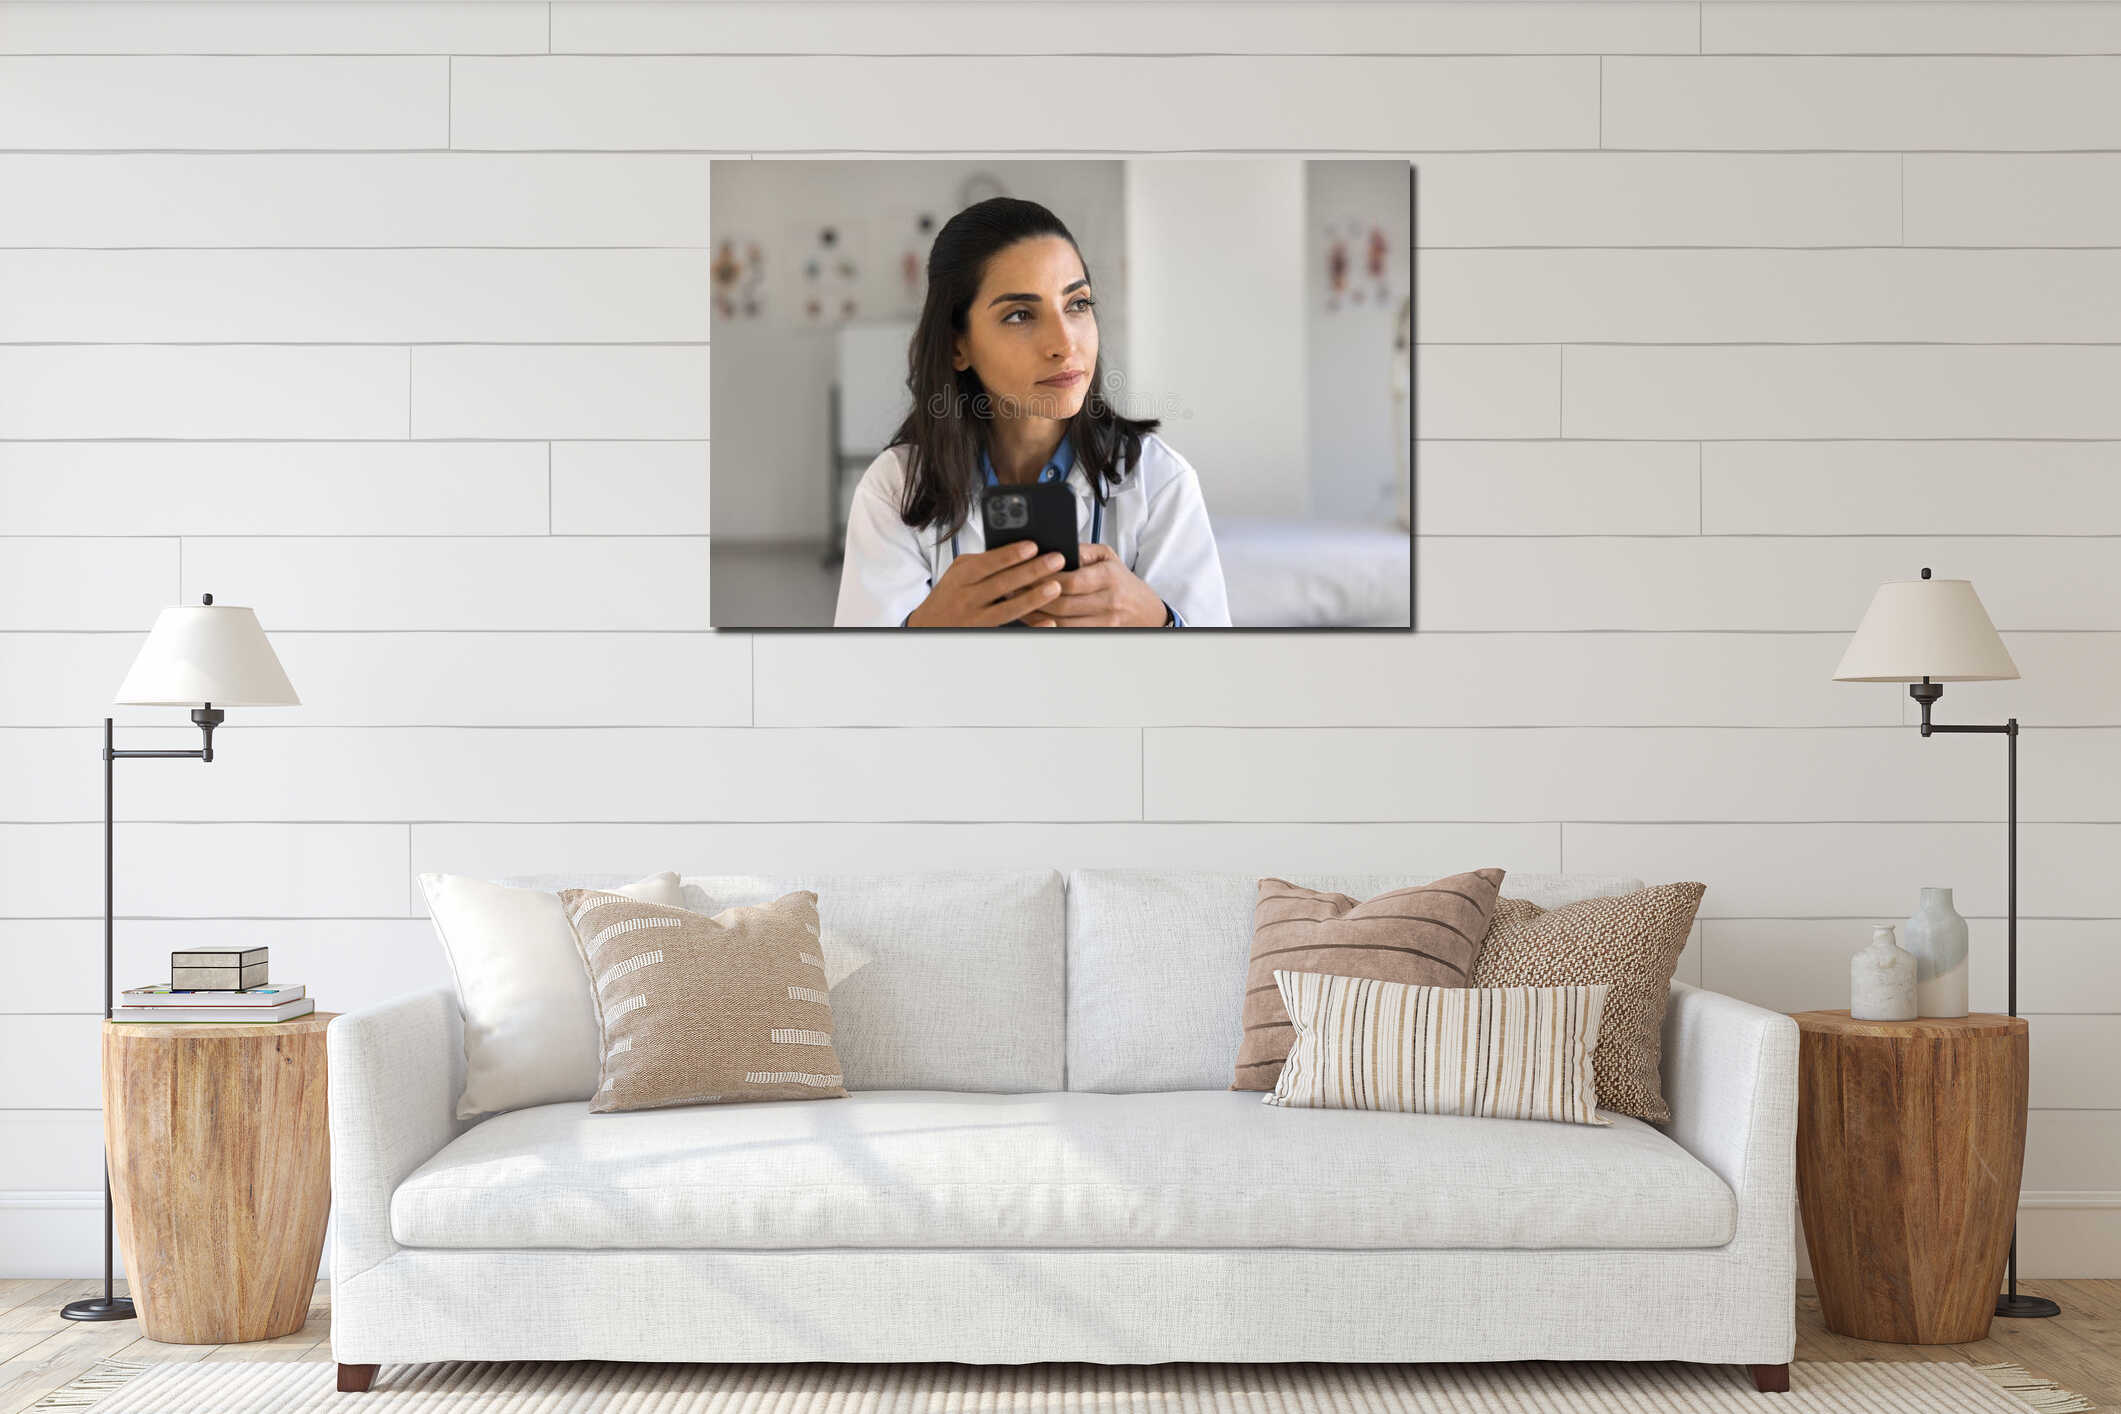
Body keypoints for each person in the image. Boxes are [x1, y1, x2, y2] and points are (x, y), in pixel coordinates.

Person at [834, 197, 1231, 628]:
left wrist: (1158, 620)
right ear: (957, 346)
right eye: (1020, 314)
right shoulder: (894, 490)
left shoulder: (1159, 482)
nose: (1064, 343)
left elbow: (1219, 682)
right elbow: (857, 681)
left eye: (1077, 304)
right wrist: (924, 630)